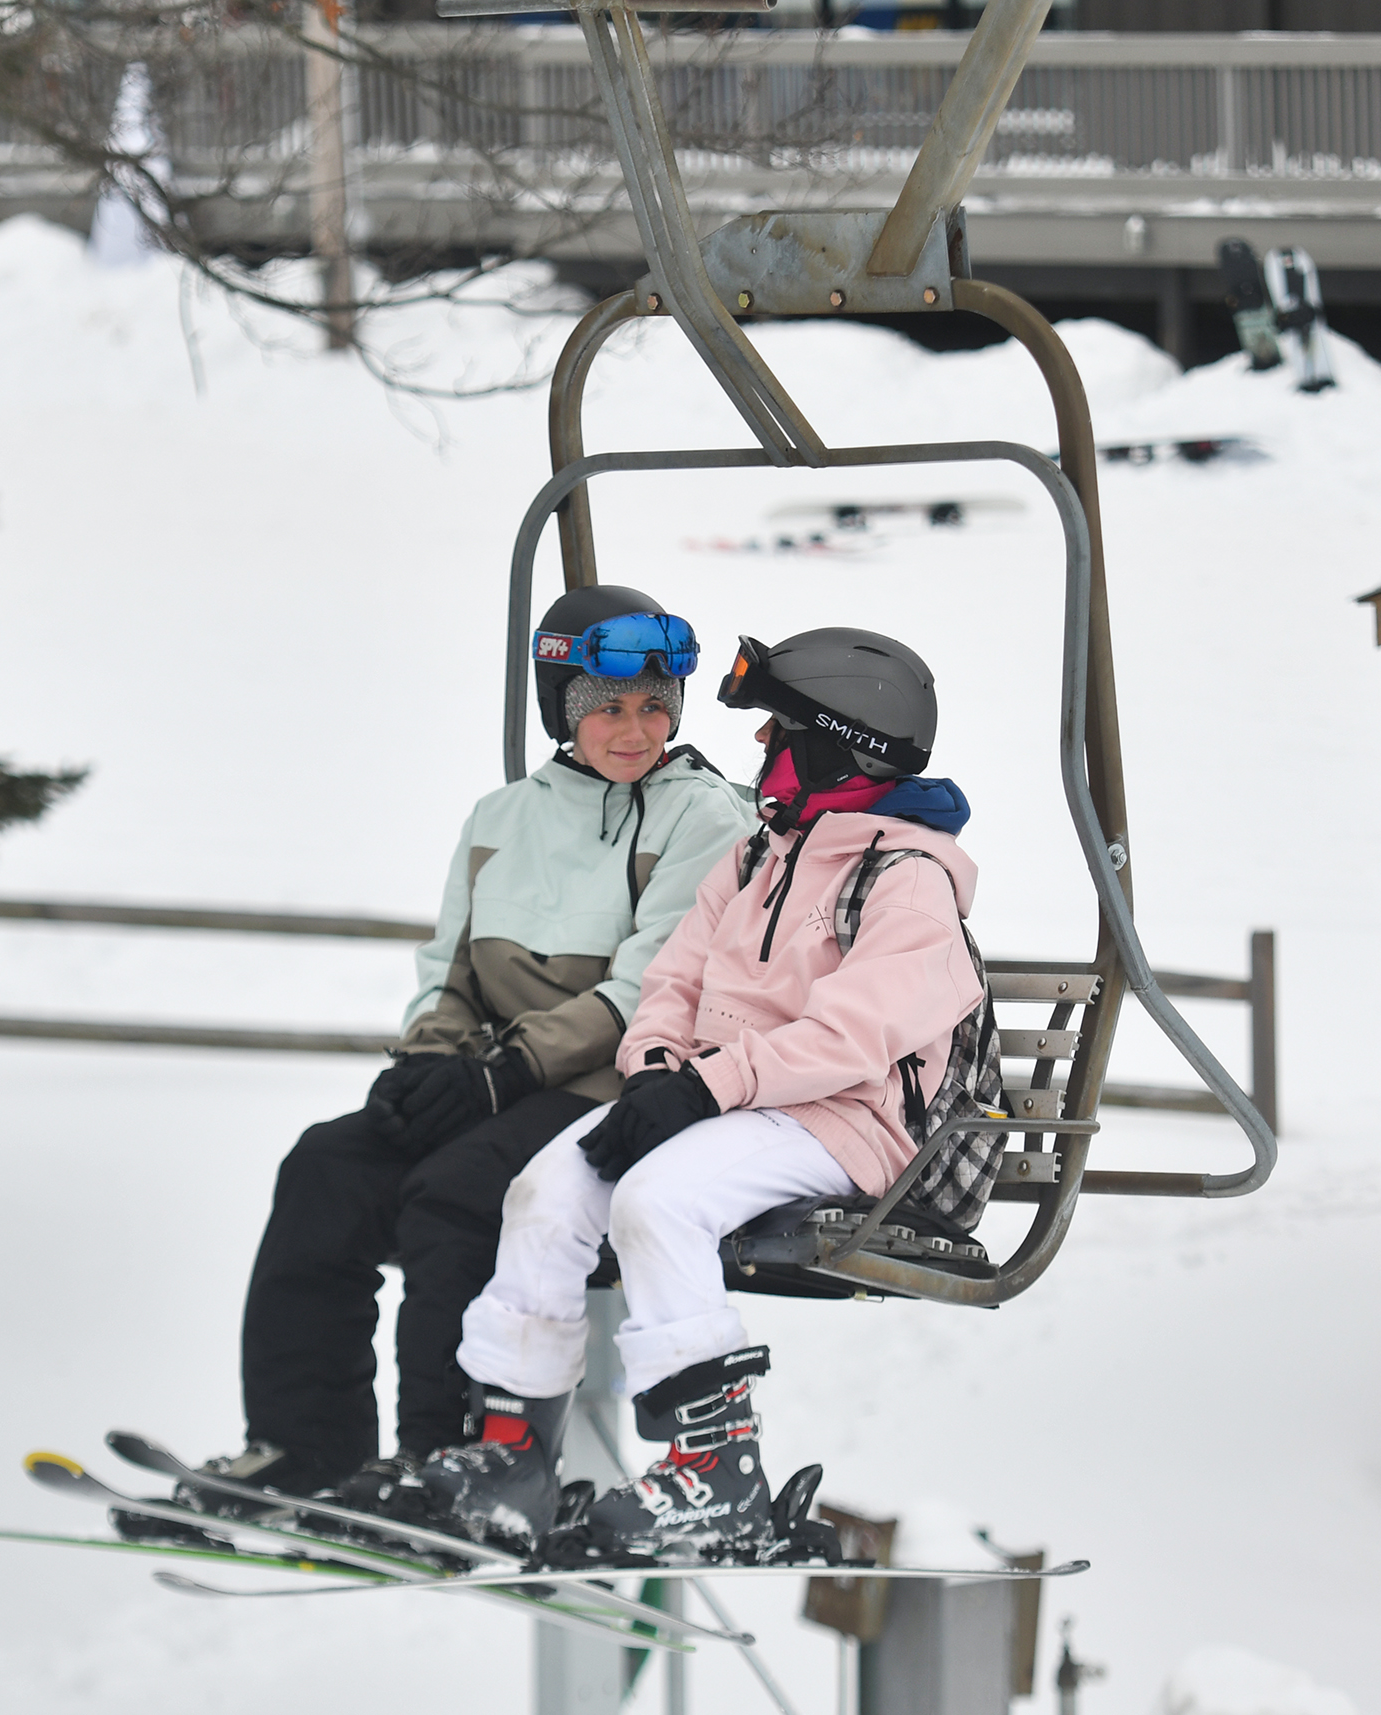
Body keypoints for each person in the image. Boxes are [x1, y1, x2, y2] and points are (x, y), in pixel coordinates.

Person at [139, 585, 759, 1529]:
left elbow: (648, 984)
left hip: (607, 1085)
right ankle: (305, 1446)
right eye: (609, 709)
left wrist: (502, 1072)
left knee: (458, 1192)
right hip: (497, 1077)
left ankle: (446, 1457)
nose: (634, 730)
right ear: (566, 710)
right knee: (328, 1167)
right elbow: (450, 967)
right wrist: (427, 1064)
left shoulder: (702, 817)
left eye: (654, 706)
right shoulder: (503, 816)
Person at [388, 627, 1000, 1563]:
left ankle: (718, 1473)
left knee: (655, 1200)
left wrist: (706, 1087)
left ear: (843, 746)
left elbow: (850, 1037)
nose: (761, 749)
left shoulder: (906, 883)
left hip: (851, 1125)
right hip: (730, 1106)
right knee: (545, 1192)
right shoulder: (757, 857)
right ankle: (510, 1453)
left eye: (779, 731)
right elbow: (671, 980)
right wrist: (659, 1071)